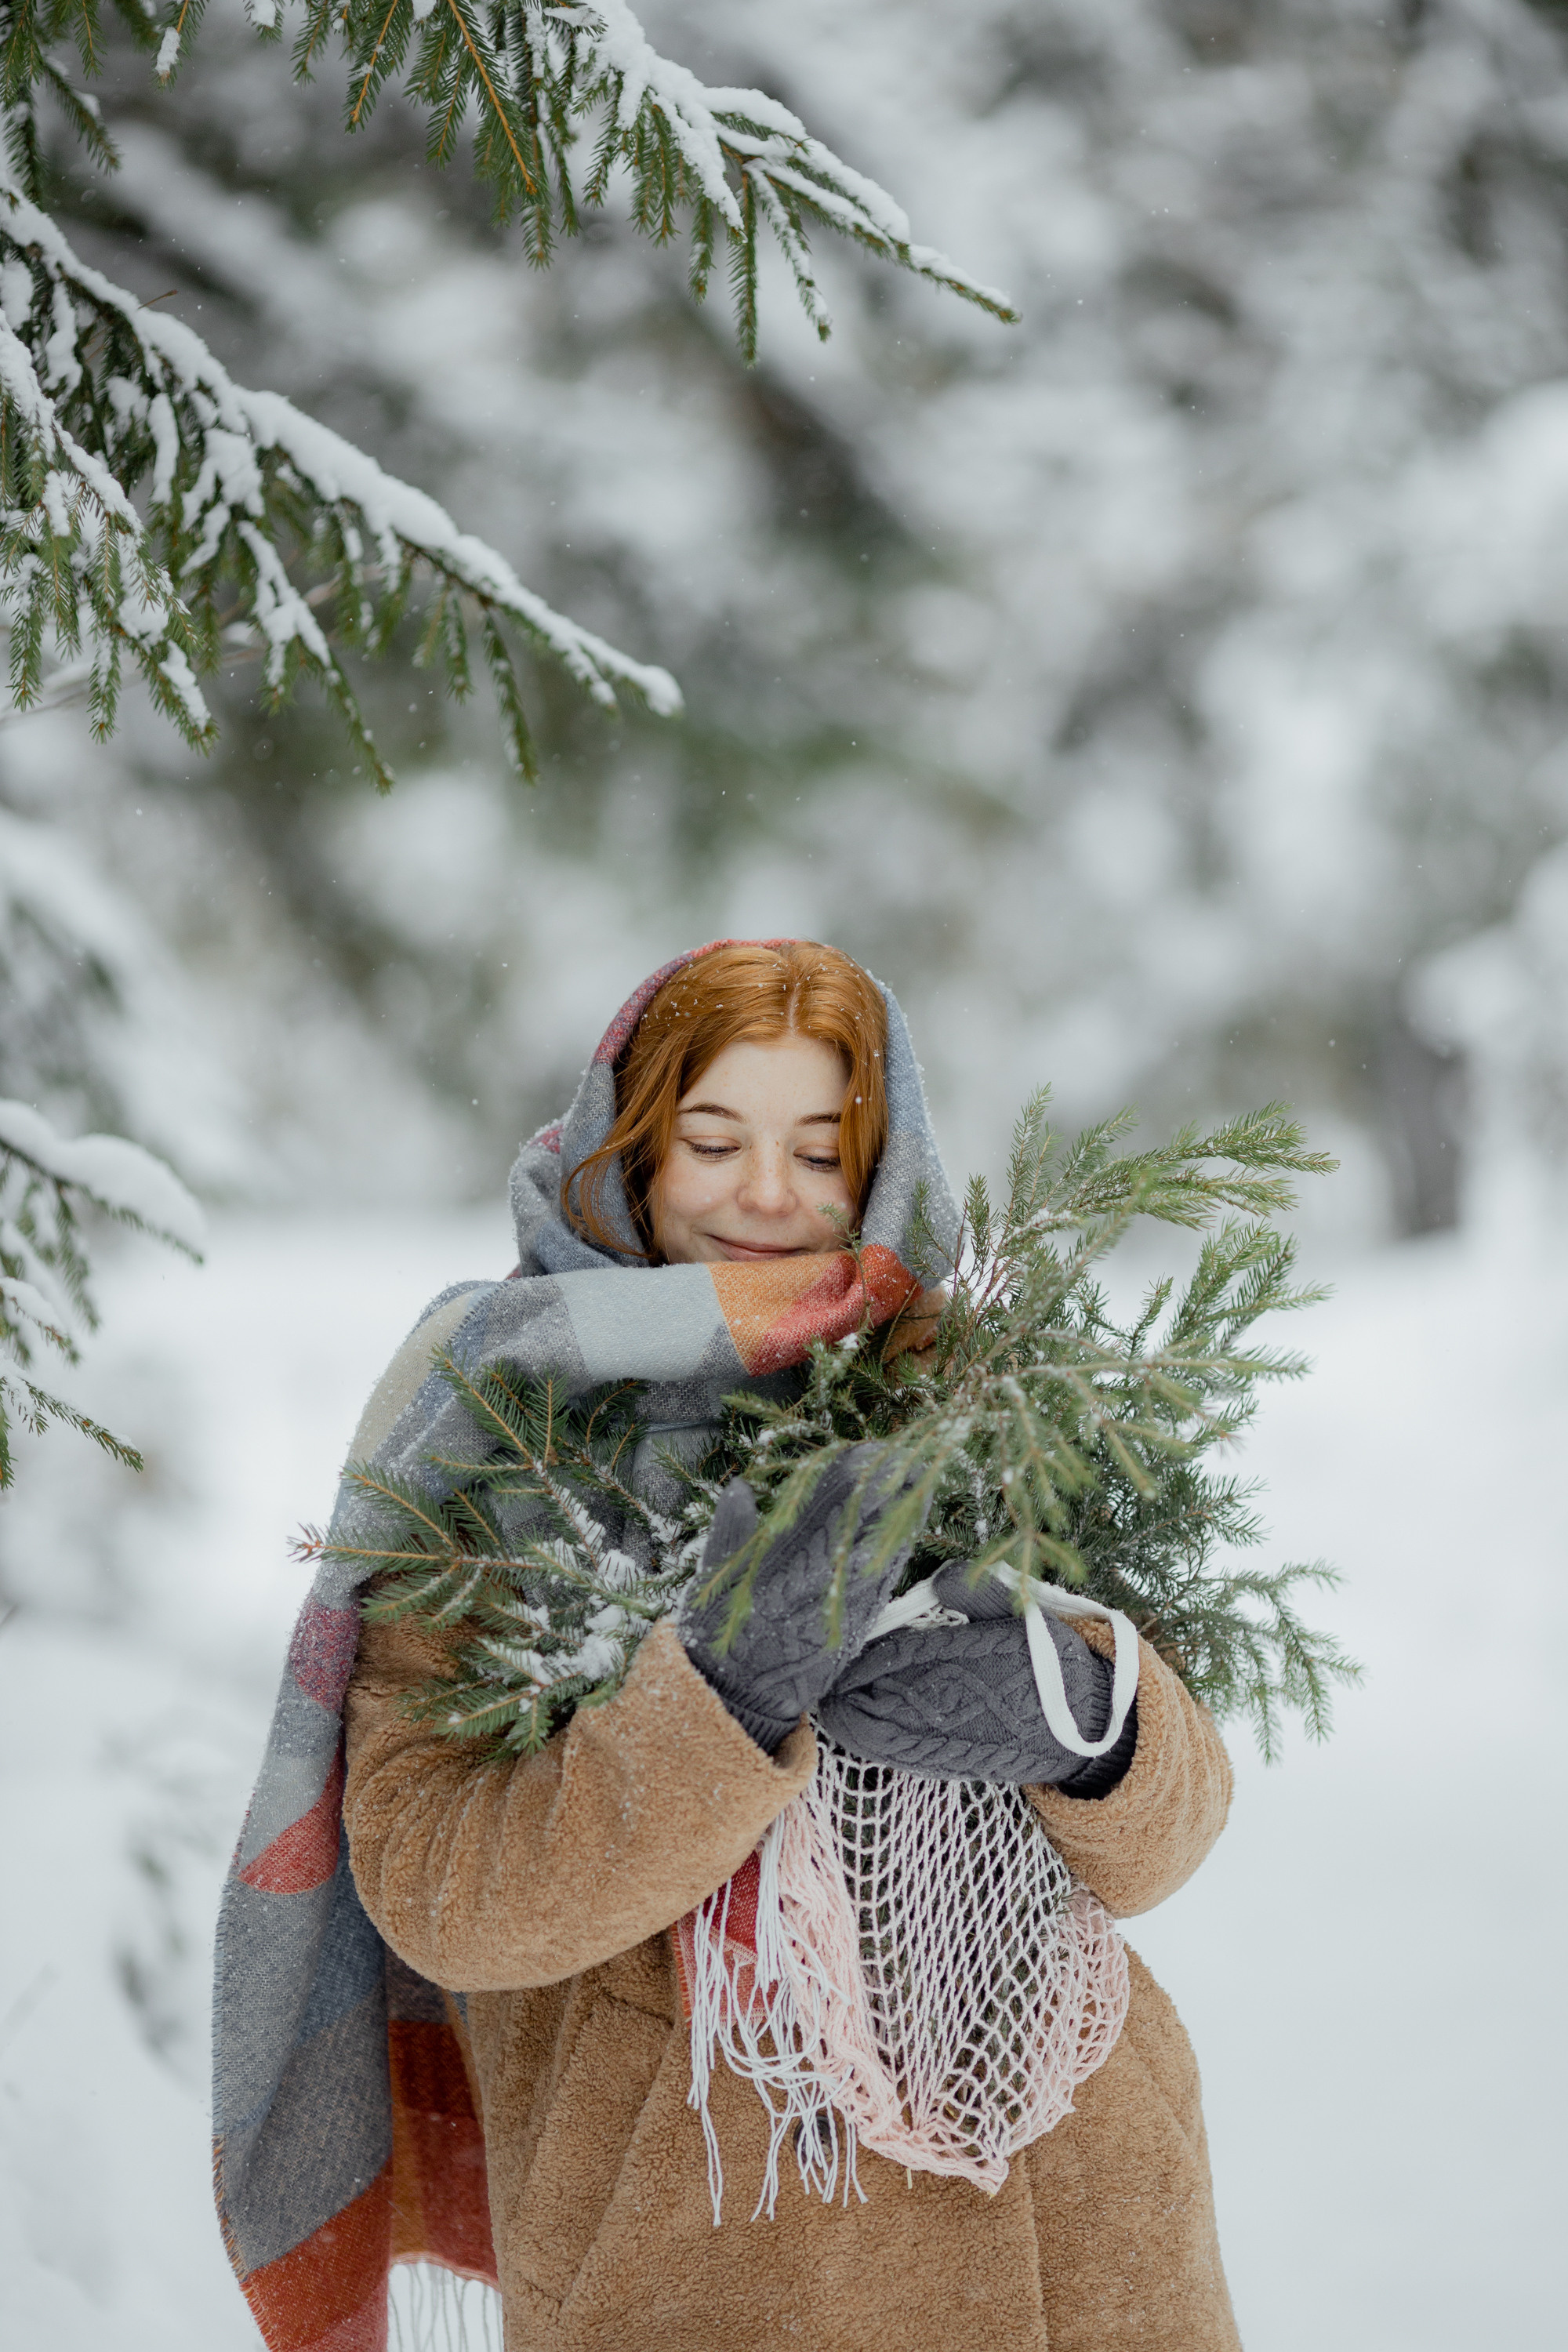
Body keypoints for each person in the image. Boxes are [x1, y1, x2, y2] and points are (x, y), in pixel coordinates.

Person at [213, 939, 1240, 2352]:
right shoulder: (498, 1426)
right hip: (711, 2257)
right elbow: (442, 1891)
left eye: (821, 1153)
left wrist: (1095, 1716)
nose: (769, 1195)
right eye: (714, 1142)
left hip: (1088, 2236)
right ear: (626, 1151)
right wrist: (719, 1697)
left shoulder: (969, 1388)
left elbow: (1168, 1847)